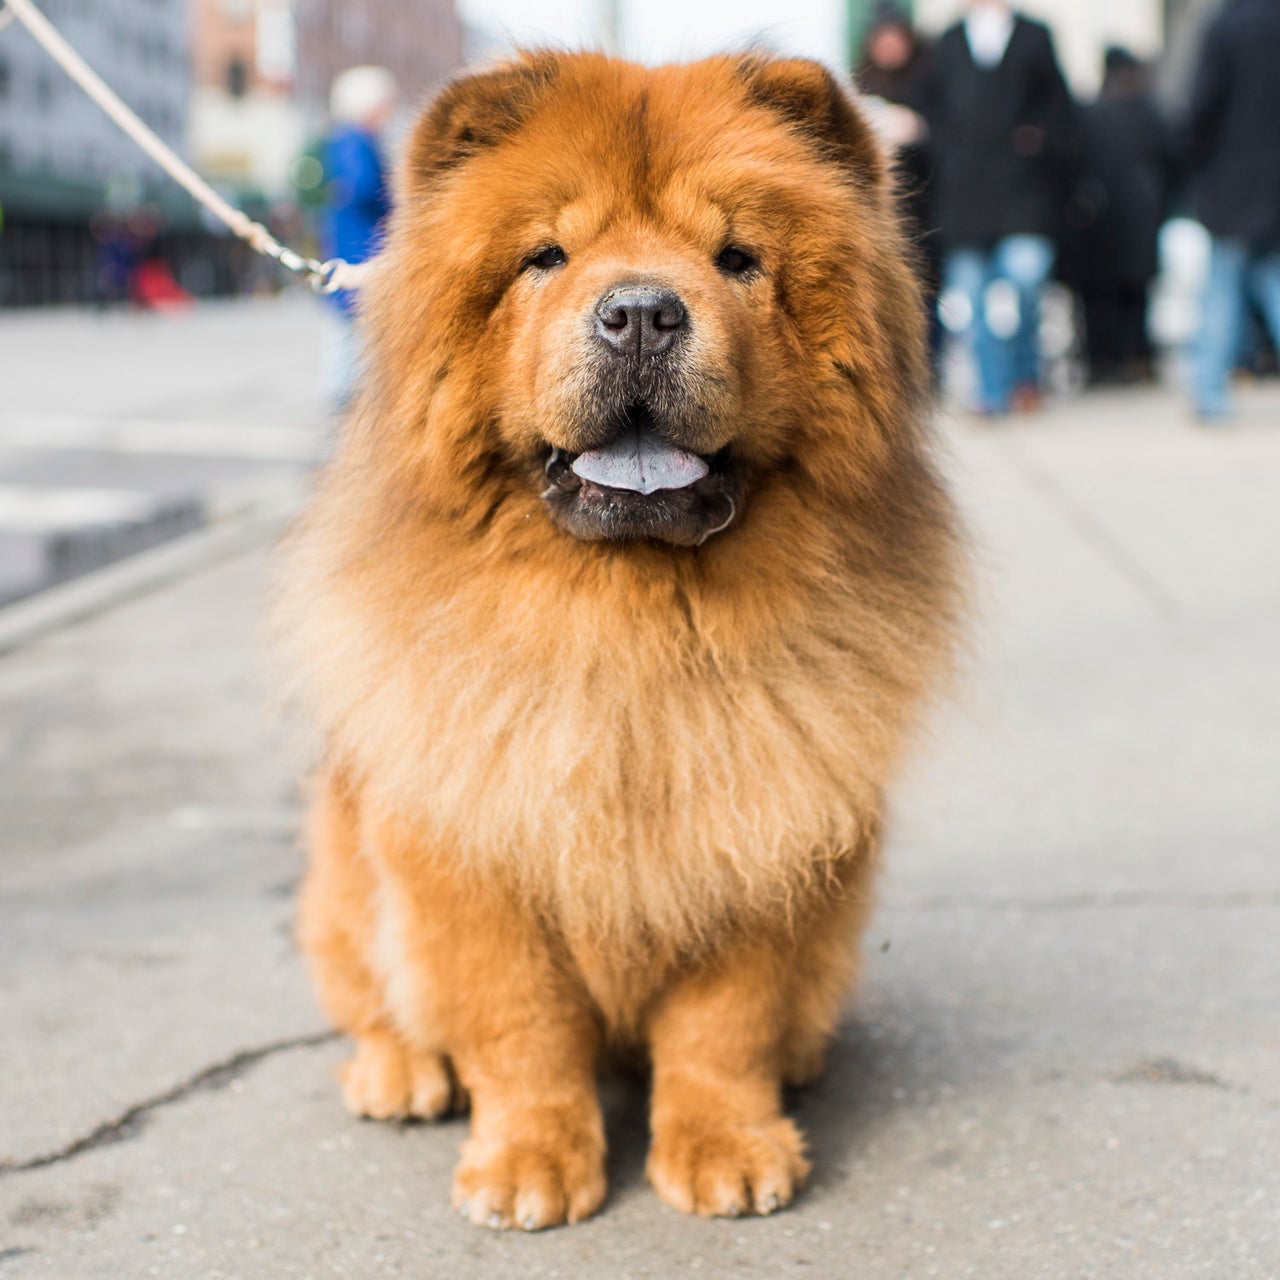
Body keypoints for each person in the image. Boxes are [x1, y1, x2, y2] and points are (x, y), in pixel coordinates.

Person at [920, 0, 1077, 415]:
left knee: (1025, 280)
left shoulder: (1034, 35)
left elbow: (1059, 105)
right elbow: (933, 109)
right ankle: (991, 393)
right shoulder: (950, 41)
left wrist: (1037, 141)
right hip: (966, 200)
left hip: (1022, 194)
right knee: (971, 301)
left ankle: (1025, 375)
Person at [1184, 0, 1280, 421]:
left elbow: (1202, 107)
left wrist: (1193, 166)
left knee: (1222, 290)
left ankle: (1209, 394)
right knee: (1274, 284)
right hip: (1273, 185)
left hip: (1234, 183)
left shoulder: (1225, 26)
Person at [1061, 49, 1175, 386]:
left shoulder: (1087, 113)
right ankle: (1137, 359)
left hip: (1096, 221)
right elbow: (1173, 163)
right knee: (1135, 297)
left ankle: (1102, 363)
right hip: (1140, 220)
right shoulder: (1151, 112)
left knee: (1098, 300)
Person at [856, 2, 943, 371]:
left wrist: (919, 131)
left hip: (927, 208)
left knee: (930, 295)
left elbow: (950, 139)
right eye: (883, 38)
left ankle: (931, 368)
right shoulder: (861, 84)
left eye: (895, 37)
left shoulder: (930, 82)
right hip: (882, 213)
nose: (889, 46)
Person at [319, 66, 397, 408]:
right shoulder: (355, 140)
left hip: (355, 240)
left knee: (352, 323)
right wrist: (396, 197)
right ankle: (339, 395)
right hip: (359, 244)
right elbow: (364, 187)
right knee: (350, 321)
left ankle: (343, 391)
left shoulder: (350, 139)